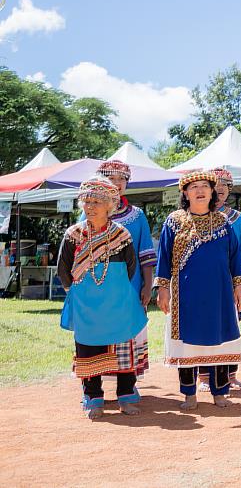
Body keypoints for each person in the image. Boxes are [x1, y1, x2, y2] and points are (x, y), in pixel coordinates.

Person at [154, 171, 241, 410]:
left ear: (213, 191)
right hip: (185, 295)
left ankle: (219, 392)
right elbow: (163, 258)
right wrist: (162, 289)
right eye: (194, 186)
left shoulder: (223, 223)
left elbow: (235, 257)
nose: (200, 190)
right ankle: (189, 394)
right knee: (186, 344)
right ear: (185, 192)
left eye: (205, 185)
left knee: (220, 340)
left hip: (219, 293)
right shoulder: (174, 221)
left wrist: (238, 286)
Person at [57, 177, 147, 419]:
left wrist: (115, 292)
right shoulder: (74, 234)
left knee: (122, 347)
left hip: (117, 302)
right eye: (87, 201)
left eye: (97, 201)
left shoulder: (121, 235)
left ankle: (126, 396)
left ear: (110, 205)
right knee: (87, 347)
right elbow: (63, 269)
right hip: (85, 303)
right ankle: (93, 397)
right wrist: (77, 295)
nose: (91, 206)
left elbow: (130, 267)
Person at [90, 160, 154, 378]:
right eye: (111, 178)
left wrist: (148, 285)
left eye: (121, 179)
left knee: (128, 333)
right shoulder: (89, 212)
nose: (116, 183)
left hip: (130, 286)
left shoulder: (136, 215)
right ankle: (93, 385)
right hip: (96, 288)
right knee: (96, 332)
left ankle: (126, 385)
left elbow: (145, 253)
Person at [197, 167, 241, 392]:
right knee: (203, 324)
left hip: (230, 279)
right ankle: (202, 376)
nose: (220, 188)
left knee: (230, 326)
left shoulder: (236, 217)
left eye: (225, 185)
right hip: (204, 279)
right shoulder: (194, 214)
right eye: (216, 184)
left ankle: (230, 374)